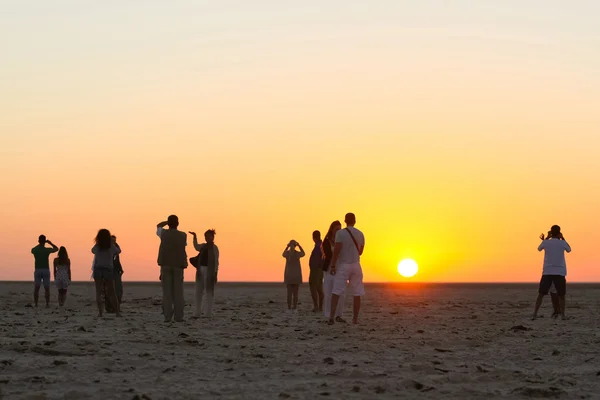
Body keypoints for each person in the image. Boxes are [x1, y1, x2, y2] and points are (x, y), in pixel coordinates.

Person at [328, 213, 365, 325]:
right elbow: (361, 252)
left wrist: (333, 265)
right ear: (355, 221)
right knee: (357, 292)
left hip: (344, 265)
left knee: (336, 291)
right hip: (356, 264)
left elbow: (337, 250)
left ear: (345, 221)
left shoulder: (340, 233)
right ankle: (355, 319)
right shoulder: (360, 234)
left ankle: (331, 317)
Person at [532, 225, 571, 320]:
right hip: (560, 272)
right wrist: (563, 237)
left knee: (541, 294)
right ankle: (563, 315)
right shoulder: (562, 243)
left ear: (551, 232)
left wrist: (546, 238)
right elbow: (569, 249)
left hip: (548, 271)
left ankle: (535, 314)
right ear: (559, 233)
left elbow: (539, 248)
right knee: (561, 295)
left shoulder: (546, 242)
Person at [157, 215, 188, 322]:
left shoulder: (163, 234)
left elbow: (158, 225)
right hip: (178, 265)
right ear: (177, 224)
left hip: (165, 264)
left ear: (169, 224)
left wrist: (167, 222)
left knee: (167, 293)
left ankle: (167, 316)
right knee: (178, 293)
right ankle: (179, 317)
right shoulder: (183, 235)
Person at [190, 229, 220, 318]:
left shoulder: (215, 248)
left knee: (209, 292)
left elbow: (216, 261)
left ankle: (208, 313)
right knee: (198, 291)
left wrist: (215, 273)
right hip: (200, 270)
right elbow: (196, 247)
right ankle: (197, 312)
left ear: (212, 237)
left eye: (208, 236)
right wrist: (194, 237)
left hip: (210, 270)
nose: (207, 238)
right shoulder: (203, 246)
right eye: (205, 236)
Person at [92, 229, 122, 317]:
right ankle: (117, 312)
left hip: (98, 268)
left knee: (98, 291)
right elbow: (119, 251)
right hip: (108, 269)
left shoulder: (98, 246)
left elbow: (93, 251)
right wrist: (114, 243)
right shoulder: (111, 246)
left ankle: (100, 312)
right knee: (112, 292)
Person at [322, 221, 345, 321]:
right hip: (329, 269)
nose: (338, 231)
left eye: (339, 229)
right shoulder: (326, 241)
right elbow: (328, 255)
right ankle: (328, 314)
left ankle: (338, 315)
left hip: (340, 268)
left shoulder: (342, 241)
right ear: (332, 230)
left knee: (340, 292)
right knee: (329, 292)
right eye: (336, 229)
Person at [31, 235, 59, 308]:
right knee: (47, 288)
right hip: (45, 270)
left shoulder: (35, 249)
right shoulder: (46, 250)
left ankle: (36, 304)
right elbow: (56, 249)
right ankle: (47, 304)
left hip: (38, 269)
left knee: (37, 287)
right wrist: (50, 243)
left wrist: (40, 243)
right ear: (45, 241)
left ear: (39, 241)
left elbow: (32, 250)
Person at [283, 240, 305, 311]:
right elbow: (303, 253)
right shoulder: (297, 254)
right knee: (295, 293)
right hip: (296, 276)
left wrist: (287, 246)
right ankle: (294, 306)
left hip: (289, 275)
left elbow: (283, 254)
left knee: (289, 293)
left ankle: (289, 307)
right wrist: (299, 246)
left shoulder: (287, 253)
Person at [309, 230, 324, 312]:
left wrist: (318, 266)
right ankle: (319, 307)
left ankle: (316, 306)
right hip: (318, 269)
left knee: (313, 287)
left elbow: (320, 258)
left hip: (316, 269)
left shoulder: (319, 246)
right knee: (318, 287)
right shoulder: (320, 245)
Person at [112, 235, 124, 304]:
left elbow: (117, 261)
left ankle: (118, 302)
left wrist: (120, 269)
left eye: (115, 241)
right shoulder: (110, 250)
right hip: (111, 271)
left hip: (116, 270)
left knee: (119, 288)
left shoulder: (115, 250)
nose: (114, 242)